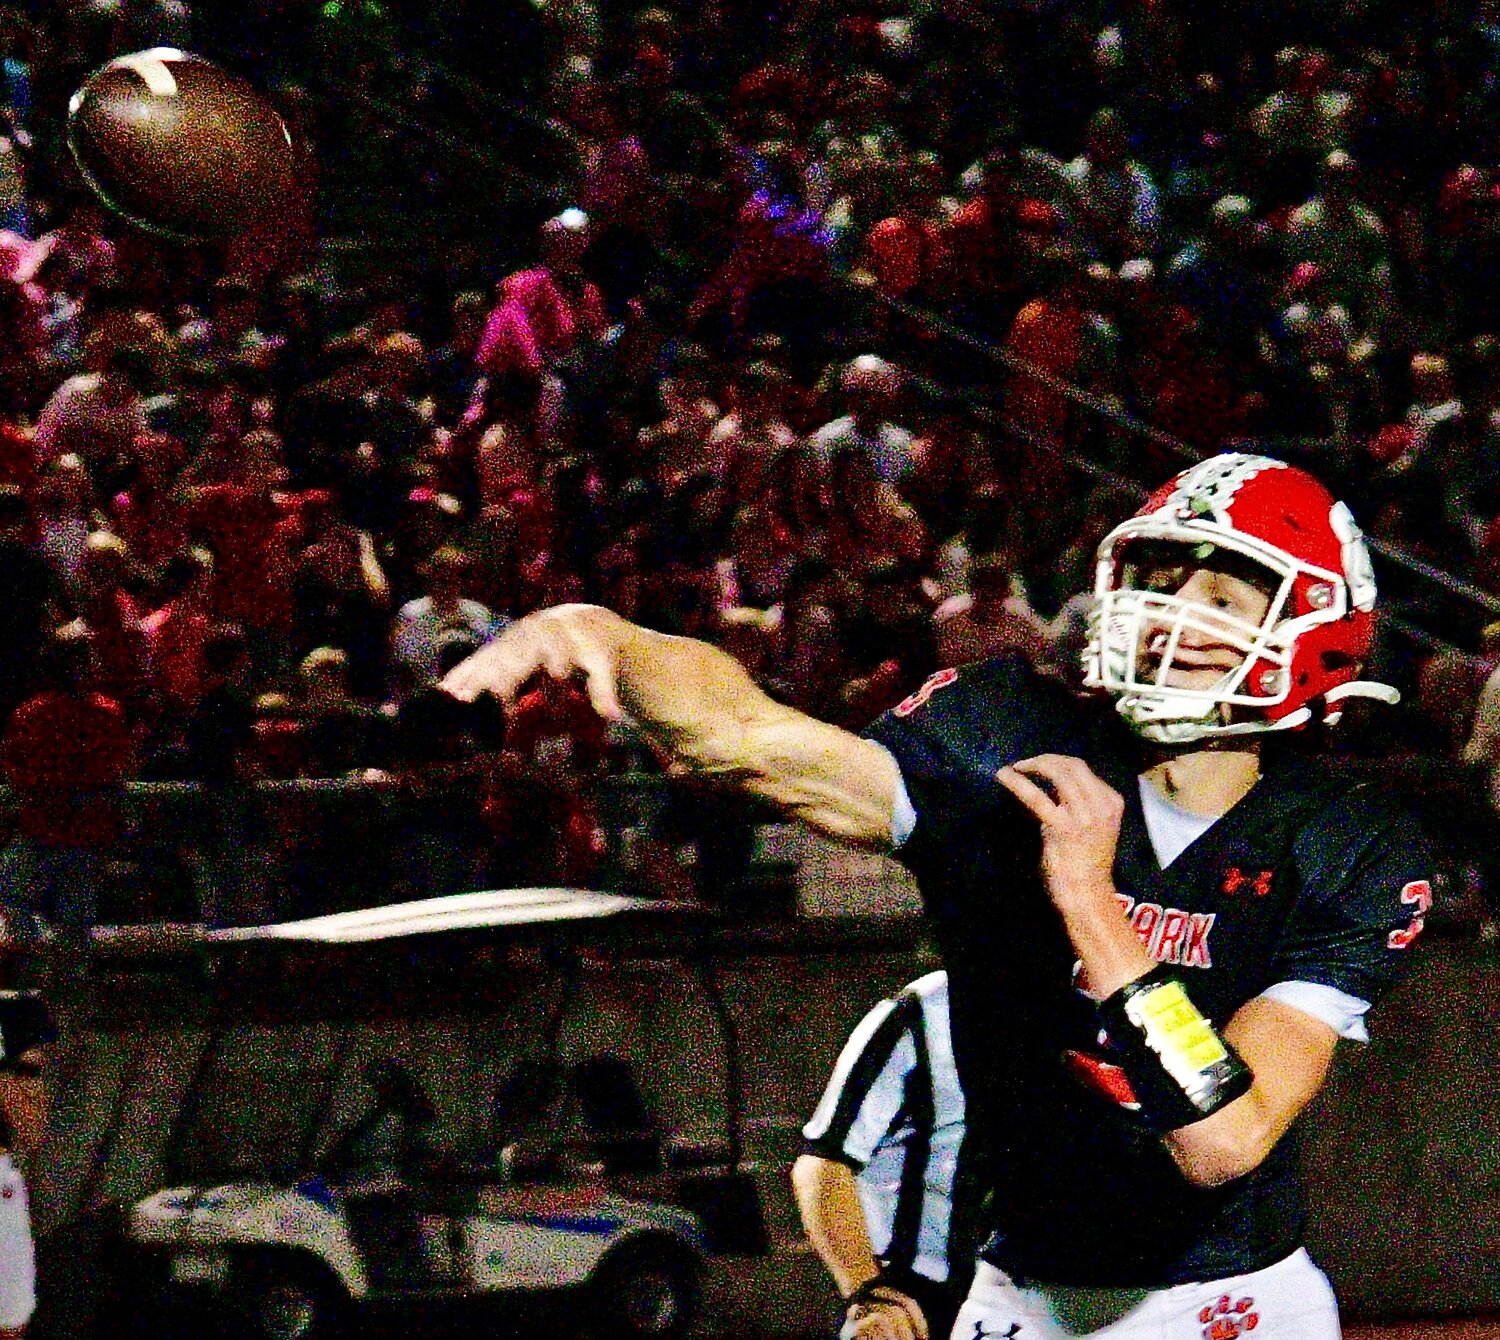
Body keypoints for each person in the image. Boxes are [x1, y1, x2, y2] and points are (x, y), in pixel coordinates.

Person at [443, 452, 1432, 1340]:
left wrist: (1091, 903)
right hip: (1021, 1293)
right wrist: (601, 632)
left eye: (1220, 592)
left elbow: (1221, 1141)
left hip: (1231, 1302)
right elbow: (742, 735)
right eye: (1161, 579)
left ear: (1314, 625)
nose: (1172, 613)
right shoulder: (1008, 728)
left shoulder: (1346, 842)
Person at [794, 970, 972, 1340]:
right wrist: (869, 1294)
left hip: (1057, 1297)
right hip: (922, 1301)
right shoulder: (926, 1012)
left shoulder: (1100, 1013)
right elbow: (823, 1163)